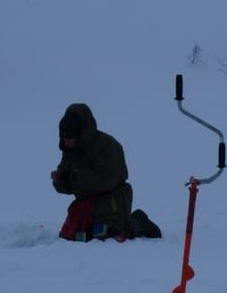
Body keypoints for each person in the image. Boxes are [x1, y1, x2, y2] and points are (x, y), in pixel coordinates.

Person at [51, 103, 160, 242]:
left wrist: (75, 176)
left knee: (107, 236)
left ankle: (138, 222)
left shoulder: (106, 145)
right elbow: (68, 185)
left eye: (69, 138)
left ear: (79, 133)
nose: (66, 143)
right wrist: (60, 180)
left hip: (112, 201)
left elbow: (106, 180)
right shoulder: (70, 151)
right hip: (85, 205)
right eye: (63, 138)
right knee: (72, 237)